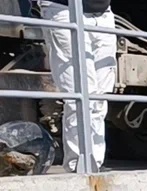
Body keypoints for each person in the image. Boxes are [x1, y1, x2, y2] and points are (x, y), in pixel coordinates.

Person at [39, 0, 116, 172]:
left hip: (103, 13)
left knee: (99, 98)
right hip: (65, 9)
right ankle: (78, 165)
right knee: (81, 94)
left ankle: (94, 162)